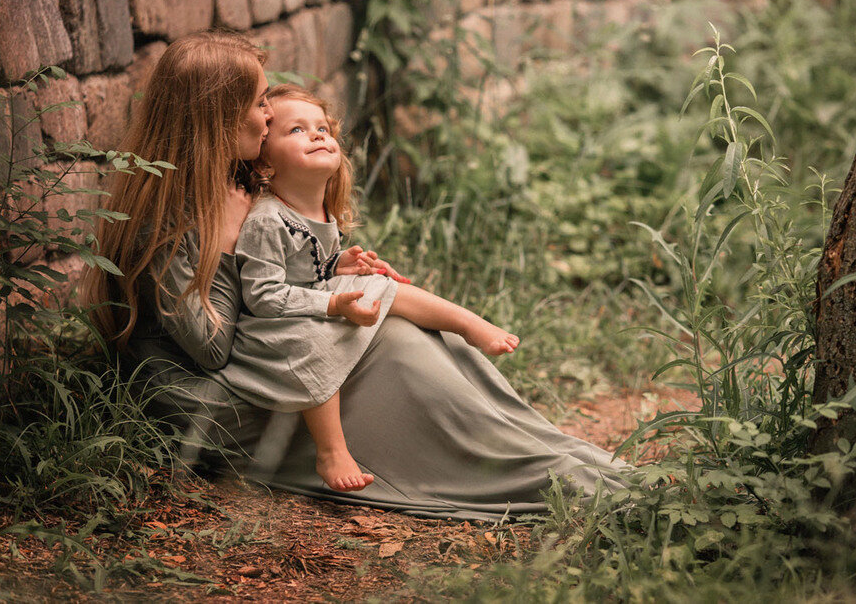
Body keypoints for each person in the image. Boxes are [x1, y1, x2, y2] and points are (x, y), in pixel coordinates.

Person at [83, 31, 626, 522]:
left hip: (263, 357)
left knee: (403, 327)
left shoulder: (230, 180)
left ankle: (551, 450)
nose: (268, 115)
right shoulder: (166, 222)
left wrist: (334, 270)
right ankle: (537, 473)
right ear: (220, 118)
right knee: (389, 348)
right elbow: (211, 348)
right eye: (258, 102)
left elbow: (271, 273)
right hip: (214, 404)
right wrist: (229, 245)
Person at [228, 84, 520, 492]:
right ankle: (331, 452)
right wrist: (332, 303)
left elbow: (305, 267)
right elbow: (262, 296)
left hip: (308, 300)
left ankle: (466, 323)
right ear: (265, 165)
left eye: (322, 128)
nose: (316, 135)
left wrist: (338, 265)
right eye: (296, 130)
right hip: (271, 327)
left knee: (378, 283)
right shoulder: (267, 221)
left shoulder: (317, 206)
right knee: (310, 339)